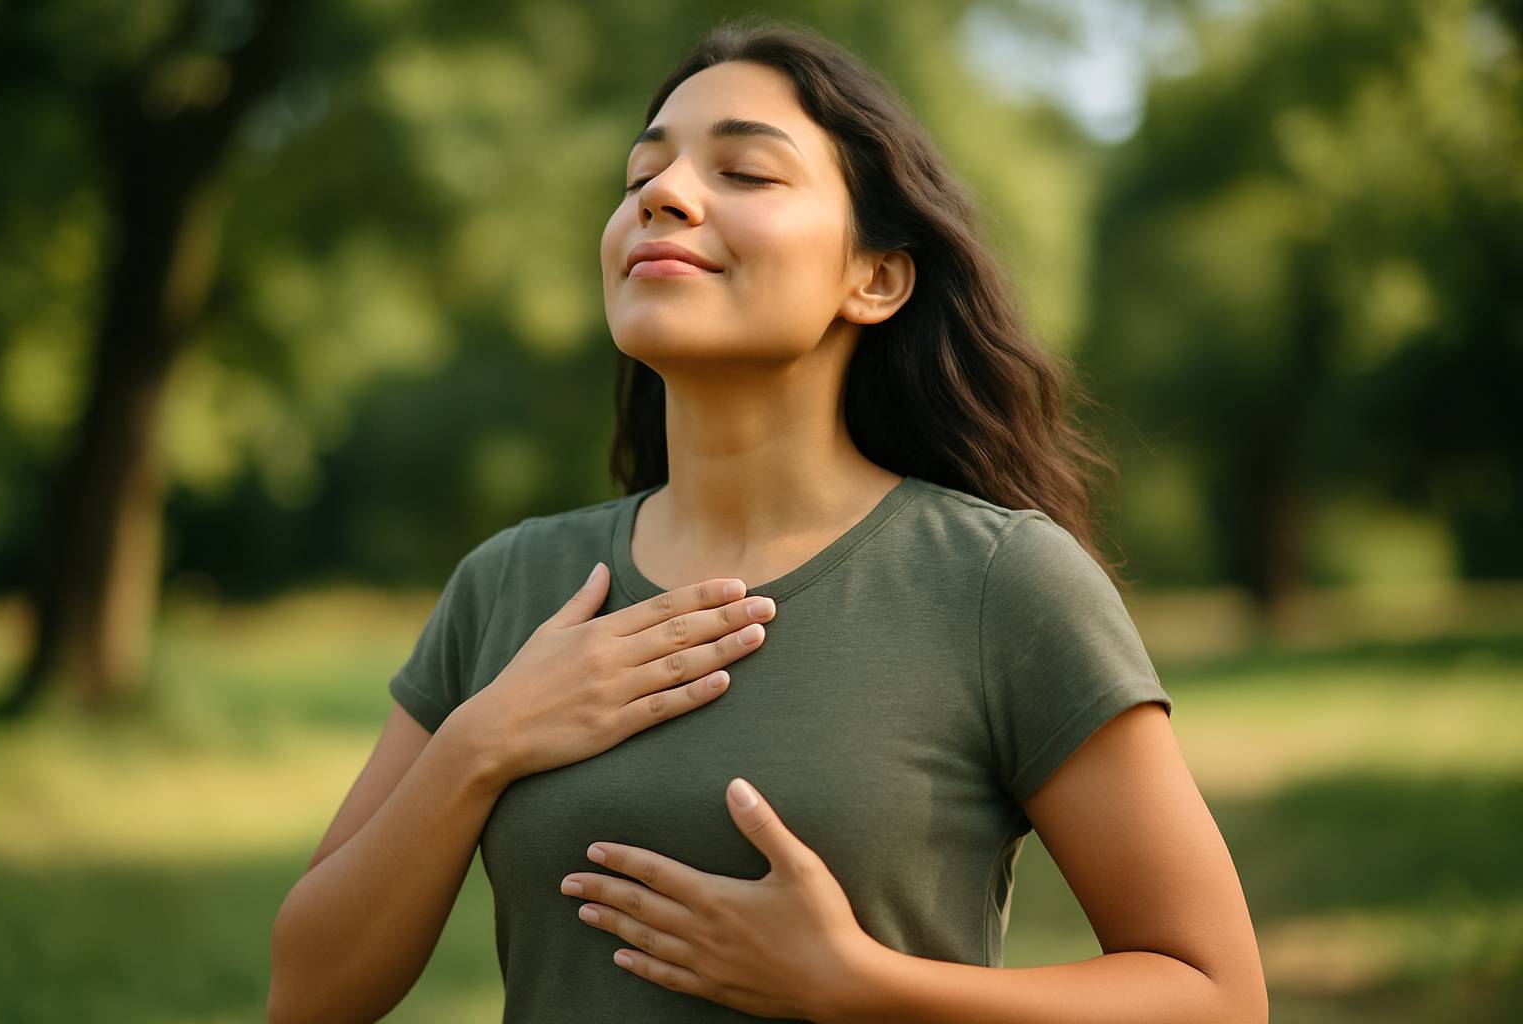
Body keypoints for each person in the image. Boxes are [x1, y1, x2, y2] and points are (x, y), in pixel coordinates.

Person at [268, 15, 1268, 1024]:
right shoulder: (509, 585)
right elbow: (308, 995)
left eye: (745, 172)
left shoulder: (1001, 583)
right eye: (638, 178)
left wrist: (855, 984)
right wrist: (483, 740)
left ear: (872, 278)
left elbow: (1218, 997)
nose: (661, 195)